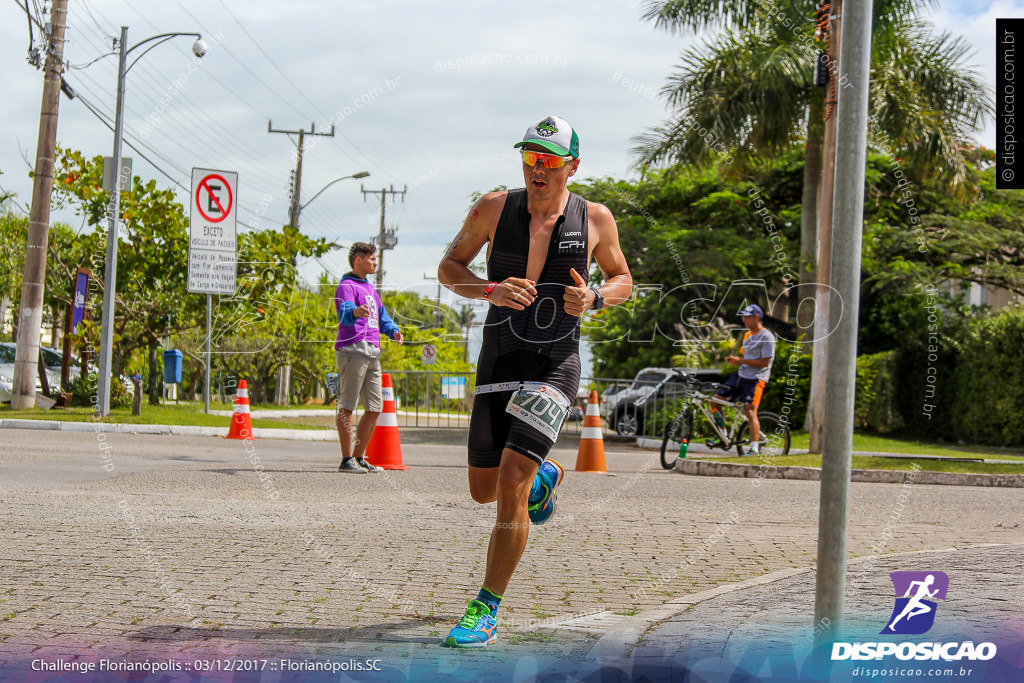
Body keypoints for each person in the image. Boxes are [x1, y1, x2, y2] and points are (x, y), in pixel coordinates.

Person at [437, 115, 633, 647]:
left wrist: (595, 298)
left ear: (572, 166)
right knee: (483, 490)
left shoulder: (595, 218)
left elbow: (623, 279)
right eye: (530, 158)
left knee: (509, 482)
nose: (536, 169)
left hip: (555, 362)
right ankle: (546, 477)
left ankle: (485, 607)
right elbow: (448, 267)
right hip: (499, 358)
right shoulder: (492, 208)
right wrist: (488, 291)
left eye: (548, 160)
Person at [334, 242, 404, 473]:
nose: (375, 263)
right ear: (358, 261)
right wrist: (354, 312)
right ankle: (346, 460)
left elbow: (382, 317)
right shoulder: (346, 286)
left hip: (373, 352)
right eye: (372, 259)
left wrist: (393, 330)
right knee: (348, 405)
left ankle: (359, 457)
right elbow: (344, 313)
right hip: (353, 349)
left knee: (375, 407)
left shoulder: (371, 290)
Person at [708, 303, 775, 456]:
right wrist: (735, 360)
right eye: (743, 317)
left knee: (750, 412)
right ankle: (722, 434)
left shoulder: (766, 337)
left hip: (756, 379)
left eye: (747, 317)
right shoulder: (747, 335)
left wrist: (741, 361)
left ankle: (754, 448)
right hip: (741, 375)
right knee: (715, 401)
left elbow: (765, 362)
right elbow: (746, 357)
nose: (744, 320)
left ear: (756, 317)